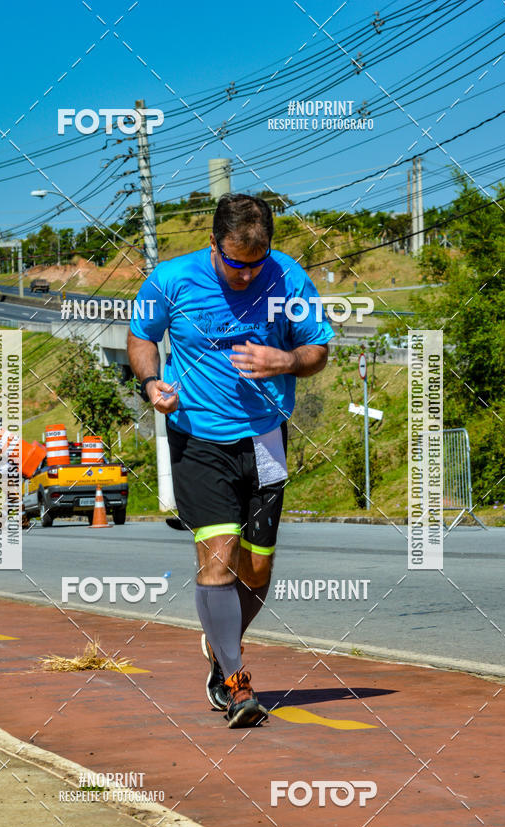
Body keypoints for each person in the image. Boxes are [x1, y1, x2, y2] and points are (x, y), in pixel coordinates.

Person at [127, 193, 334, 728]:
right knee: (218, 556)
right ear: (213, 243)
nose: (245, 275)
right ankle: (237, 684)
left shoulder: (288, 279)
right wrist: (151, 382)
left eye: (255, 262)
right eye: (234, 262)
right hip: (198, 440)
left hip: (266, 440)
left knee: (257, 569)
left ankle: (221, 647)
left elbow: (318, 349)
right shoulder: (172, 280)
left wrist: (287, 358)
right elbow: (141, 337)